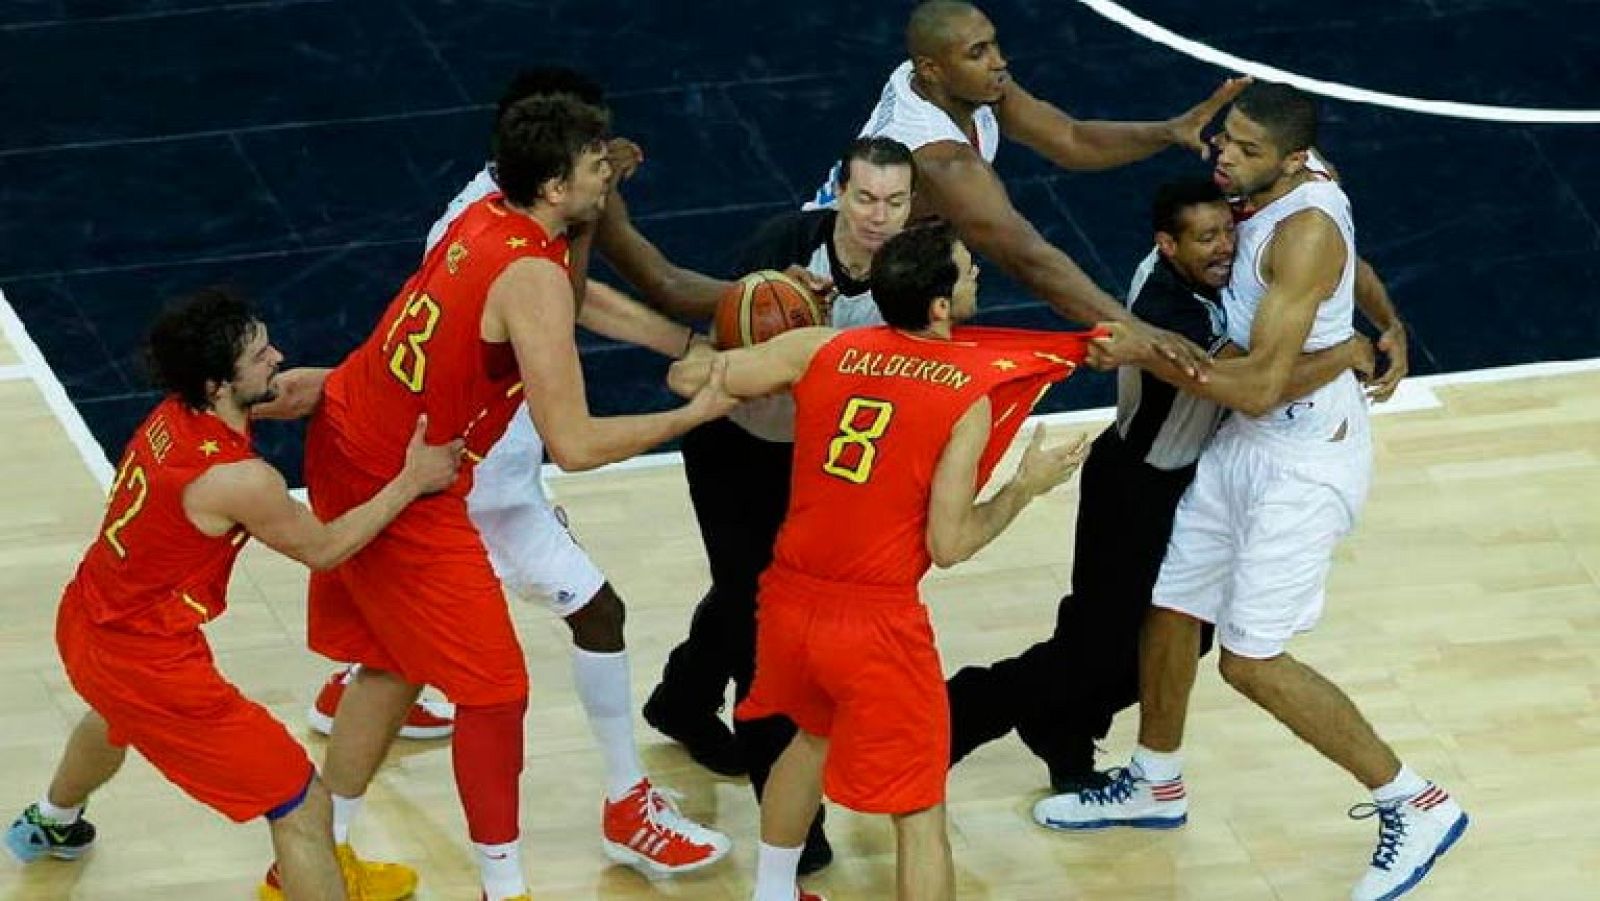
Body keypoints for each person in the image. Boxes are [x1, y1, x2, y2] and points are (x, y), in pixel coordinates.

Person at [1031, 83, 1468, 901]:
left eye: (1243, 151)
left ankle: (1415, 797)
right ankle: (1158, 779)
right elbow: (1357, 260)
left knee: (1251, 659)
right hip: (1249, 438)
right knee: (1171, 602)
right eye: (1224, 141)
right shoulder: (1292, 181)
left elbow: (1260, 384)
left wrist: (1146, 349)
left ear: (1293, 161)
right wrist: (1388, 319)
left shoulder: (1300, 234)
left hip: (1301, 455)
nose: (1223, 157)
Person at [301, 93, 738, 901]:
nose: (605, 165)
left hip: (355, 438)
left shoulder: (482, 221)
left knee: (393, 667)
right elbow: (574, 443)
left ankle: (310, 861)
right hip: (405, 481)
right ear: (551, 188)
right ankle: (505, 890)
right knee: (495, 692)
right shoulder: (529, 273)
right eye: (591, 161)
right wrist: (692, 412)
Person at [669, 220, 1102, 901]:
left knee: (808, 738)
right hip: (872, 626)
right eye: (967, 270)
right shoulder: (966, 396)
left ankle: (773, 893)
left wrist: (732, 325)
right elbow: (949, 544)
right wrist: (1025, 485)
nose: (978, 276)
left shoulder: (822, 346)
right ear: (938, 306)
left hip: (786, 600)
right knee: (920, 807)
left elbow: (695, 374)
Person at [2, 288, 461, 901]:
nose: (277, 355)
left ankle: (50, 822)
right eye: (259, 353)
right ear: (219, 384)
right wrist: (413, 479)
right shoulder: (241, 482)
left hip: (87, 617)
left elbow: (254, 413)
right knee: (301, 804)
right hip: (149, 663)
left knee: (114, 712)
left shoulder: (174, 413)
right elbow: (323, 549)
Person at [946, 178, 1377, 791]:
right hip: (1134, 488)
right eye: (1207, 239)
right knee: (1103, 647)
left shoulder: (1208, 268)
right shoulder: (1171, 314)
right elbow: (1254, 385)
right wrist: (1342, 353)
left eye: (1228, 231)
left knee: (1174, 638)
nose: (1226, 247)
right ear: (1167, 246)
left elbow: (1320, 230)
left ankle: (1066, 722)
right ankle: (954, 714)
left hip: (1179, 482)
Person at [640, 135, 917, 870]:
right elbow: (701, 358)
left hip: (824, 458)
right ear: (838, 193)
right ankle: (793, 815)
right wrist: (775, 320)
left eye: (894, 201)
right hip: (733, 445)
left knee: (754, 596)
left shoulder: (916, 266)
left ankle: (681, 696)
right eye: (864, 198)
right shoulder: (780, 252)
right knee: (758, 612)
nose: (878, 217)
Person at [808, 0, 1249, 374]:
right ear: (932, 69)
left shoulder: (952, 82)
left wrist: (1168, 131)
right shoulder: (940, 160)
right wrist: (1135, 329)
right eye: (978, 53)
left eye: (993, 44)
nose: (999, 62)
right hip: (843, 284)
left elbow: (1071, 139)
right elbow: (1029, 260)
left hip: (894, 260)